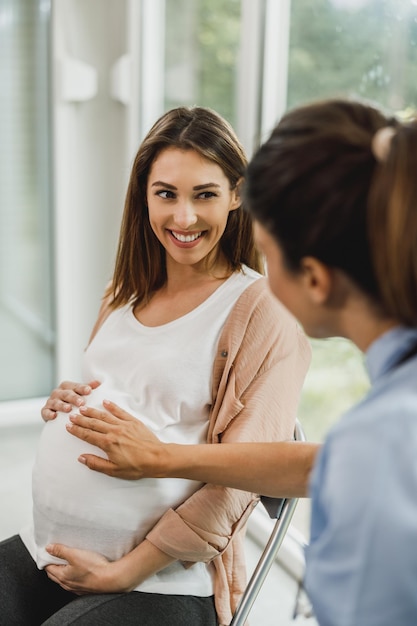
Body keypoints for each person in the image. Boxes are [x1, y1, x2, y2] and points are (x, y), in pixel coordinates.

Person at [62, 98, 417, 626]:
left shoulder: (378, 444)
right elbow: (316, 463)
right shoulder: (369, 439)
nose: (259, 273)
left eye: (269, 255)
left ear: (314, 279)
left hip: (170, 577)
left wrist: (157, 472)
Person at [0, 106, 311, 626]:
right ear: (143, 194)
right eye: (166, 193)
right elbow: (123, 392)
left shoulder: (262, 309)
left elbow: (239, 481)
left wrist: (123, 573)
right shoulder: (122, 293)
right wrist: (71, 404)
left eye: (204, 194)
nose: (183, 218)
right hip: (51, 552)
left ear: (237, 194)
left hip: (166, 582)